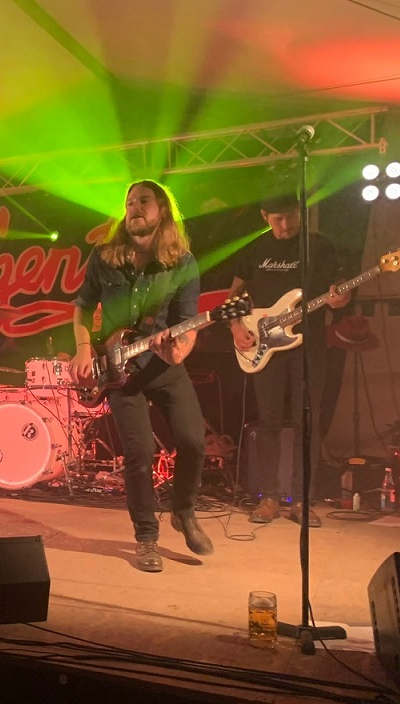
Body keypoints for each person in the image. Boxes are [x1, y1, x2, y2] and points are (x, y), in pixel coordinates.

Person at [69, 180, 213, 573]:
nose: (134, 207)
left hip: (163, 365)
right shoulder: (104, 256)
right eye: (130, 201)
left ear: (162, 209)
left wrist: (178, 350)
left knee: (193, 441)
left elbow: (187, 323)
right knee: (139, 453)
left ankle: (183, 511)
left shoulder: (181, 262)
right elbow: (82, 307)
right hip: (118, 372)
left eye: (143, 201)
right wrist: (83, 347)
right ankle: (146, 536)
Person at [227, 194, 350, 526]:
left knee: (306, 422)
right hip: (265, 345)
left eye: (291, 217)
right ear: (265, 216)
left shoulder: (319, 246)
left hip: (309, 346)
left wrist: (340, 299)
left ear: (300, 212)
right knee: (267, 421)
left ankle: (302, 500)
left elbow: (340, 292)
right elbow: (235, 294)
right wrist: (236, 327)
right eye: (278, 219)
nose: (285, 225)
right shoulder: (255, 249)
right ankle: (268, 497)